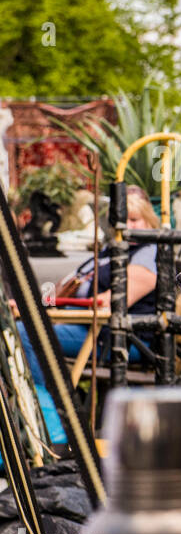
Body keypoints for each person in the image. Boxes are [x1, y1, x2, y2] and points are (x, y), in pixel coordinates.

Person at [14, 187, 160, 444]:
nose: (127, 225)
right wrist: (29, 304)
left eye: (135, 219)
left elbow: (110, 303)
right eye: (122, 219)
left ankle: (51, 425)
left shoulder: (147, 254)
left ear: (149, 221)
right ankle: (29, 419)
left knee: (28, 336)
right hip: (85, 327)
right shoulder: (106, 253)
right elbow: (57, 289)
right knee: (14, 329)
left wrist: (74, 301)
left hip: (121, 339)